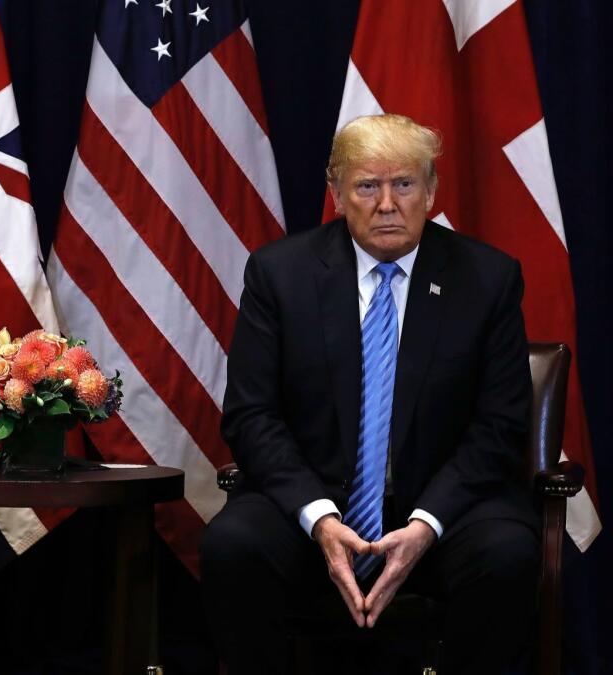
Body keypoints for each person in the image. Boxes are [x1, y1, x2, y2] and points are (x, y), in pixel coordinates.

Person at [200, 114, 538, 674]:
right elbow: (251, 415)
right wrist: (321, 519)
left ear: (430, 191)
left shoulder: (487, 278)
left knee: (507, 554)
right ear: (337, 194)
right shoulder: (279, 275)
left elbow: (500, 425)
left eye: (403, 184)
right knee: (233, 545)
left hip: (440, 513)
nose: (387, 204)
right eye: (367, 186)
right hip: (315, 514)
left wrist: (426, 523)